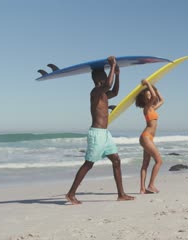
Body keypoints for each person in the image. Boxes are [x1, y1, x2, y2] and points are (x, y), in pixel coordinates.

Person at [66, 56, 135, 204]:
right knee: (89, 164)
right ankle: (71, 194)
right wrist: (112, 66)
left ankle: (121, 194)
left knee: (116, 160)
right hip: (96, 134)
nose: (105, 79)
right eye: (104, 77)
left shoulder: (103, 94)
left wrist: (117, 74)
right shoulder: (95, 92)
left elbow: (115, 91)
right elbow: (109, 85)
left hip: (105, 134)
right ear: (98, 80)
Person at [135, 79, 164, 194]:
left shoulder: (152, 108)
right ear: (144, 99)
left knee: (145, 164)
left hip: (148, 138)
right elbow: (153, 97)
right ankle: (151, 185)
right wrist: (147, 84)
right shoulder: (146, 108)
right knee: (159, 161)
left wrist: (155, 88)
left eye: (149, 94)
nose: (150, 96)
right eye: (147, 95)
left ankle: (142, 189)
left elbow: (162, 100)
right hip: (146, 137)